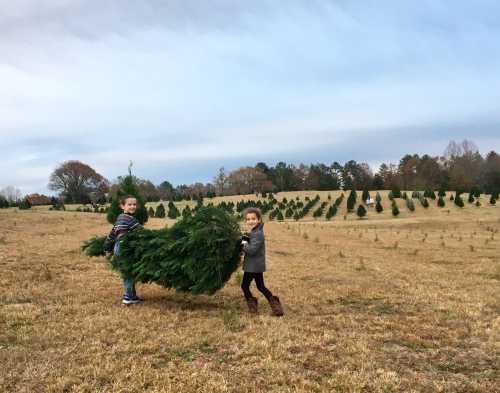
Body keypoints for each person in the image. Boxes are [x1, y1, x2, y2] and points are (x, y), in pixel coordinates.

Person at [240, 207, 284, 316]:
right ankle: (276, 306)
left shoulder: (258, 233)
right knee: (261, 286)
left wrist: (243, 243)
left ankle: (252, 305)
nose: (251, 221)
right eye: (248, 219)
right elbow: (248, 242)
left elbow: (251, 250)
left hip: (252, 266)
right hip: (256, 265)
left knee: (244, 286)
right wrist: (245, 237)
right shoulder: (254, 232)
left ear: (259, 220)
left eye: (253, 219)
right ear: (246, 221)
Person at [104, 195, 143, 305]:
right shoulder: (130, 219)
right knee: (128, 273)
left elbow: (112, 234)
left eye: (134, 204)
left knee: (129, 272)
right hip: (125, 248)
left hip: (118, 247)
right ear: (122, 206)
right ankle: (127, 297)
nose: (132, 206)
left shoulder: (119, 218)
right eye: (129, 204)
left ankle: (133, 296)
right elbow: (141, 233)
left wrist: (107, 246)